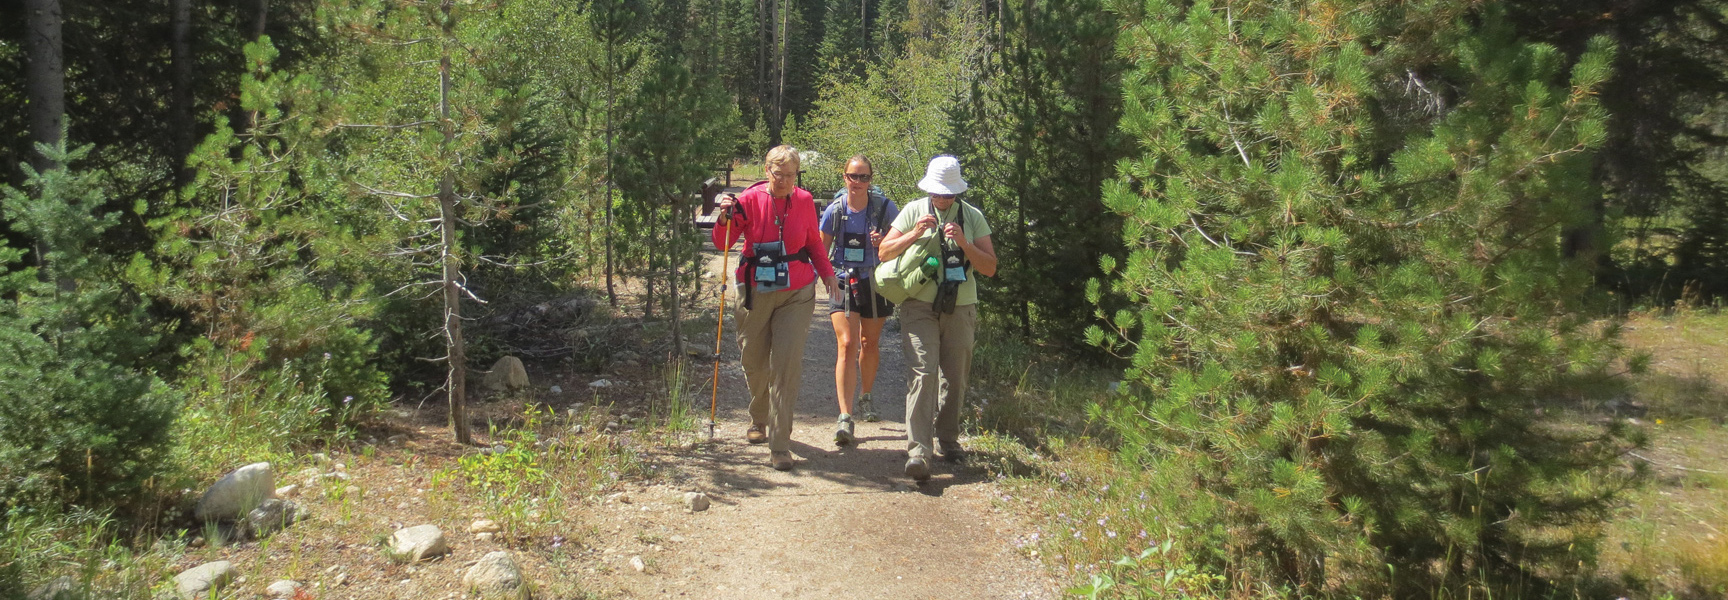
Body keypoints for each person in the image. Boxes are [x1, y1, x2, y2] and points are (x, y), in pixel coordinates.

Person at [713, 145, 839, 471]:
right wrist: (725, 216)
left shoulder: (804, 201)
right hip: (755, 291)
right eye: (777, 173)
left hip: (796, 291)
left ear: (797, 175)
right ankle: (759, 415)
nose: (783, 181)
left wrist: (827, 275)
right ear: (766, 170)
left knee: (786, 366)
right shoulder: (749, 200)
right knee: (754, 362)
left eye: (790, 175)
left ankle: (780, 444)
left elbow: (813, 241)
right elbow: (722, 243)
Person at [877, 155, 997, 481]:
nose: (942, 199)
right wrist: (913, 235)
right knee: (923, 373)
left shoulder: (972, 217)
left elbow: (989, 267)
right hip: (918, 306)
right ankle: (918, 452)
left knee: (955, 377)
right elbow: (884, 253)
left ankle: (949, 439)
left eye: (948, 194)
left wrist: (964, 243)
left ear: (957, 192)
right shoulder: (914, 210)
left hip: (960, 306)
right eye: (937, 193)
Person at [819, 155, 901, 446]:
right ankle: (845, 416)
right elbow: (821, 250)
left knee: (869, 342)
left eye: (863, 177)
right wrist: (828, 279)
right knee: (846, 344)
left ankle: (866, 396)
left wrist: (884, 244)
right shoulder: (835, 211)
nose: (857, 182)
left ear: (871, 179)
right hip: (843, 281)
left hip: (875, 281)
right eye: (853, 176)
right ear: (844, 178)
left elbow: (900, 244)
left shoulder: (885, 208)